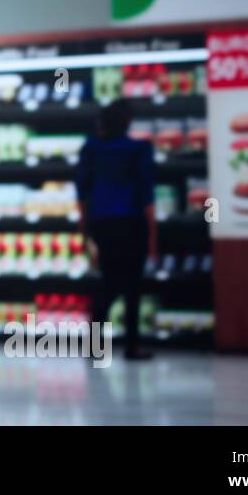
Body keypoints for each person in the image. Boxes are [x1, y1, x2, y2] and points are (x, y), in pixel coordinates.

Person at [75, 99, 157, 361]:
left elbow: (82, 191)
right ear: (127, 123)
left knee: (107, 284)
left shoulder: (90, 148)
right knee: (133, 285)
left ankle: (93, 345)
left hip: (102, 222)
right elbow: (147, 195)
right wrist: (153, 234)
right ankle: (132, 346)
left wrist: (84, 230)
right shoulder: (140, 149)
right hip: (132, 223)